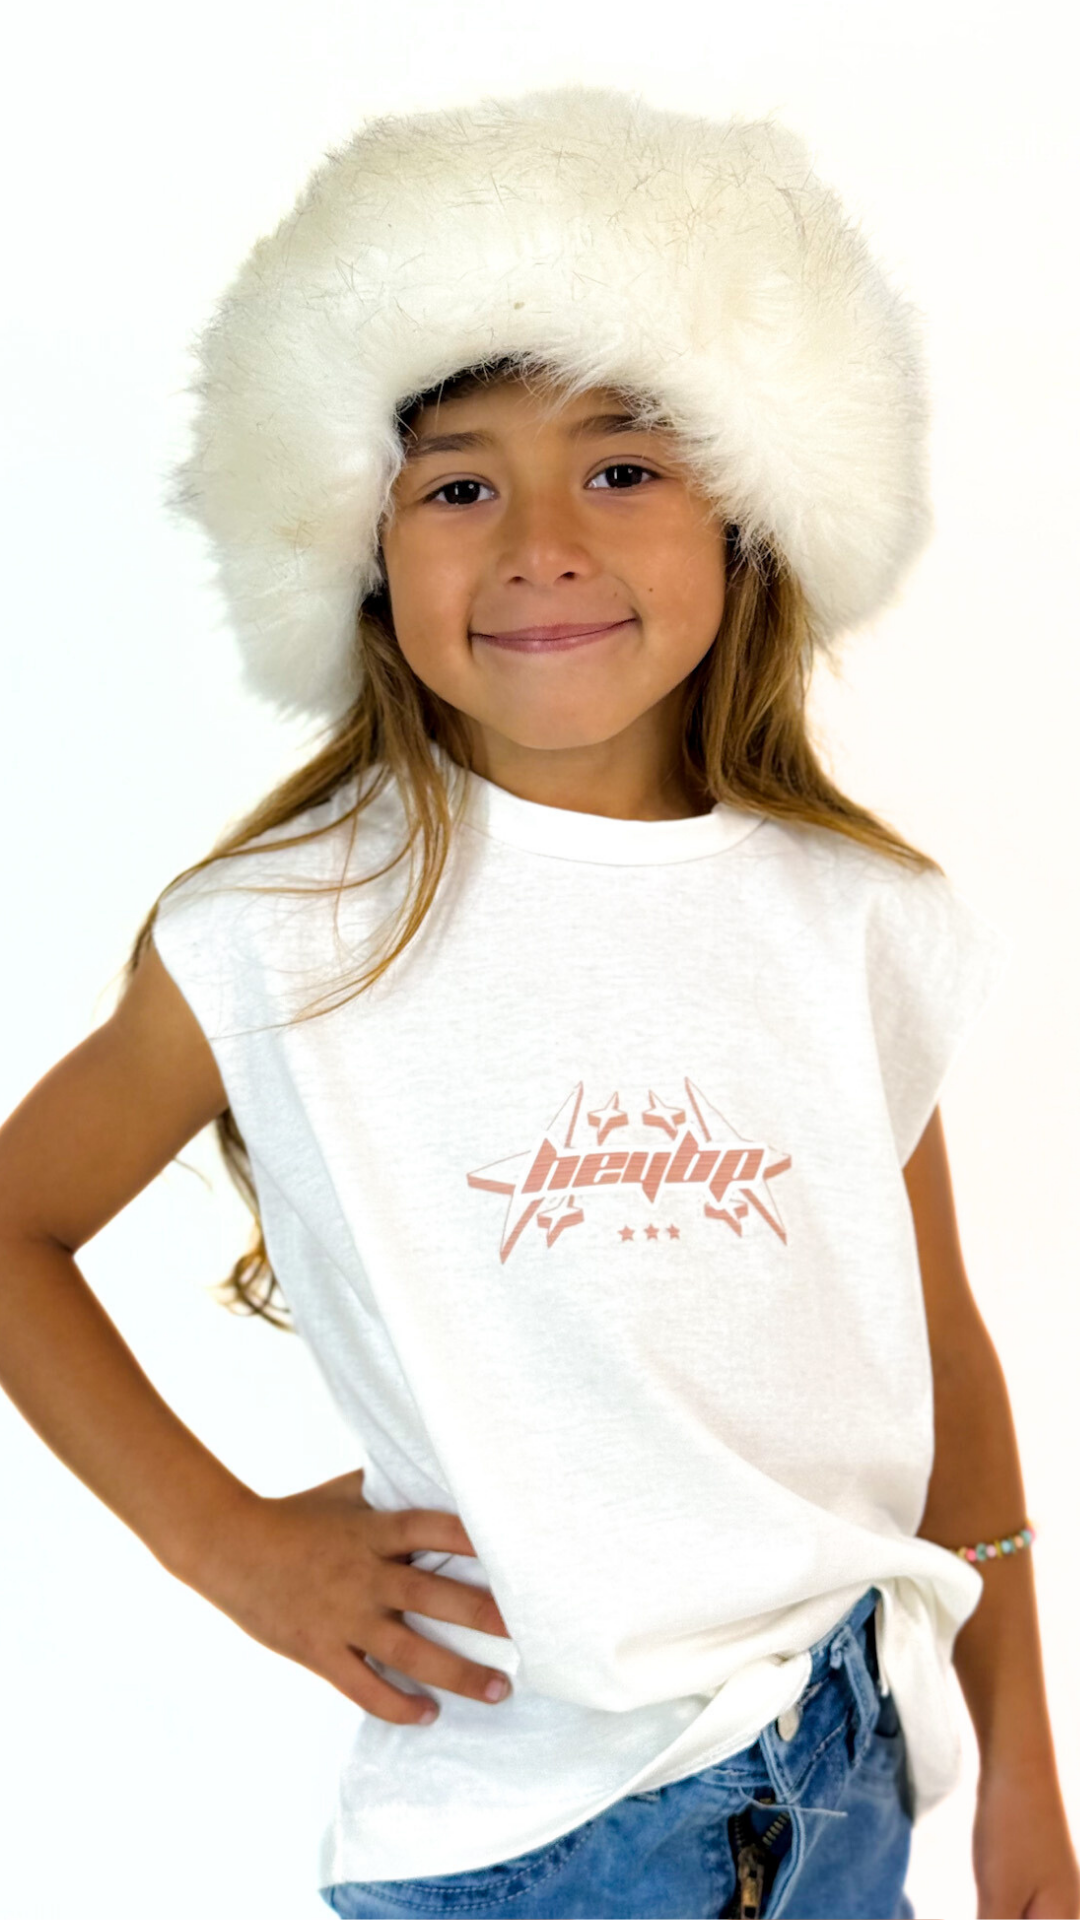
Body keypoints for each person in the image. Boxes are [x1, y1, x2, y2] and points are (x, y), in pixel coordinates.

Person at [0, 84, 1075, 1920]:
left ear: (747, 522)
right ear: (362, 548)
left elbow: (942, 1365)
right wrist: (232, 1552)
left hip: (849, 1776)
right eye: (459, 484)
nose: (542, 541)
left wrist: (1023, 1771)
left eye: (625, 467)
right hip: (531, 1844)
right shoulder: (288, 932)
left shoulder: (860, 922)